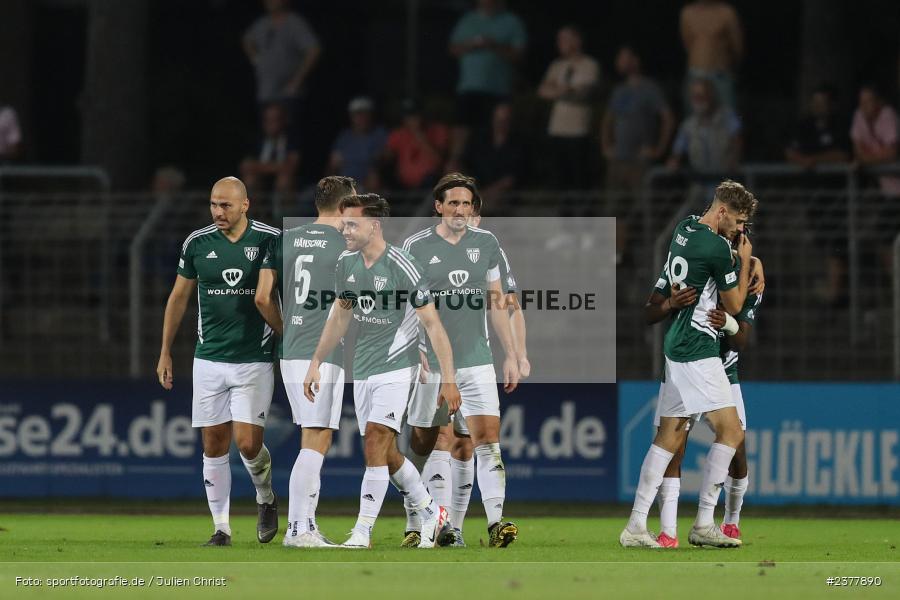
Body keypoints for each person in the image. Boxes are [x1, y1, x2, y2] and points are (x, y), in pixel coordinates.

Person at [303, 193, 461, 549]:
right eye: (343, 223)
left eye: (352, 223)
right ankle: (433, 512)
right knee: (386, 453)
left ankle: (362, 532)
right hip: (363, 366)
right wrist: (315, 361)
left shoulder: (402, 265)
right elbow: (341, 314)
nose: (345, 229)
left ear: (374, 226)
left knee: (375, 440)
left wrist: (448, 379)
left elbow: (433, 324)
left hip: (397, 366)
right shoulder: (346, 264)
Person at [620, 179, 757, 549]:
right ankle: (703, 523)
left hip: (675, 345)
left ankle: (635, 526)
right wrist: (744, 262)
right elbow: (732, 305)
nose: (740, 230)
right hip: (697, 348)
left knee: (668, 437)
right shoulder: (715, 247)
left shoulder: (685, 228)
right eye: (739, 221)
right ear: (723, 211)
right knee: (731, 432)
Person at [156, 176, 281, 547]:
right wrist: (164, 350)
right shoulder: (198, 242)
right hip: (208, 359)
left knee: (246, 444)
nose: (218, 212)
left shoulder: (269, 239)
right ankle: (222, 528)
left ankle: (266, 497)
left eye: (225, 205)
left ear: (246, 205)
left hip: (253, 359)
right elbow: (178, 297)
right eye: (213, 204)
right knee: (213, 444)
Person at [400, 172, 521, 548]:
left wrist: (513, 354)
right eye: (452, 203)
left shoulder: (486, 243)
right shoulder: (415, 246)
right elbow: (403, 307)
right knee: (426, 439)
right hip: (431, 364)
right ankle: (417, 522)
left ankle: (490, 524)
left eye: (466, 204)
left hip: (476, 360)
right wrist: (410, 351)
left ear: (473, 209)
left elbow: (498, 302)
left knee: (481, 440)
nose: (459, 210)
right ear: (438, 207)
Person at [644, 226, 765, 547]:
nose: (733, 239)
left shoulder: (750, 275)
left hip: (723, 370)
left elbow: (740, 341)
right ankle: (669, 531)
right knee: (674, 445)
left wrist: (727, 321)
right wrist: (670, 303)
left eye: (740, 236)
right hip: (685, 364)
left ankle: (730, 522)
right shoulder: (692, 261)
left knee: (737, 449)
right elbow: (649, 312)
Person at [255, 175, 356, 548]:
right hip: (322, 352)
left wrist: (286, 330)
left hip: (292, 349)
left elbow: (263, 297)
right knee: (316, 439)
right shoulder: (347, 244)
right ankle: (298, 529)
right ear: (347, 205)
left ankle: (306, 525)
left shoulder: (286, 239)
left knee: (312, 435)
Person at [602, 45, 674, 262]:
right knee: (615, 212)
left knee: (642, 211)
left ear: (635, 60)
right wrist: (606, 145)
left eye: (624, 57)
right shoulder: (619, 90)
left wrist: (659, 149)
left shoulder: (649, 88)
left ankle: (649, 258)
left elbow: (667, 118)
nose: (620, 62)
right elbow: (608, 119)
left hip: (639, 163)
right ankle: (618, 258)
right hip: (618, 161)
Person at [448, 0, 527, 168]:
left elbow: (518, 54)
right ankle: (454, 169)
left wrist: (493, 46)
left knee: (495, 132)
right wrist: (472, 45)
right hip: (469, 87)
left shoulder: (511, 21)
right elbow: (453, 49)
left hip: (498, 89)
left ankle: (494, 172)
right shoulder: (468, 20)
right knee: (463, 130)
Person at [537, 25, 599, 189]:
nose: (560, 43)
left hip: (578, 130)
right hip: (557, 130)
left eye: (564, 39)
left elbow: (583, 93)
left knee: (580, 179)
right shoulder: (557, 65)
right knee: (560, 180)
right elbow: (543, 90)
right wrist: (566, 90)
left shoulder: (589, 65)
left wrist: (558, 90)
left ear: (577, 41)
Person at [243, 0, 321, 113]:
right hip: (265, 94)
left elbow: (314, 49)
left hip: (288, 96)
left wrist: (297, 81)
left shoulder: (294, 22)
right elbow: (247, 40)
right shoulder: (262, 23)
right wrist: (256, 60)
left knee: (288, 129)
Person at [680, 0, 743, 110]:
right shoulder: (687, 13)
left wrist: (729, 65)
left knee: (727, 117)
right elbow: (688, 43)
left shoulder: (726, 12)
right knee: (694, 118)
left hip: (720, 74)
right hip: (695, 74)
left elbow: (737, 46)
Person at [461, 103, 524, 211]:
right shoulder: (479, 140)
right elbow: (466, 163)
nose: (502, 124)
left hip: (503, 194)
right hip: (476, 188)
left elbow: (512, 177)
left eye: (506, 120)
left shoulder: (519, 144)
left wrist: (485, 194)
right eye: (499, 120)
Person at [385, 99, 449, 190]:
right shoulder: (398, 134)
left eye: (415, 115)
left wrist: (419, 134)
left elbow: (439, 160)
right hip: (403, 183)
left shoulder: (438, 130)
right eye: (408, 116)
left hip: (430, 182)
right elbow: (385, 157)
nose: (412, 119)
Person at [240, 103, 300, 197]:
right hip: (261, 178)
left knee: (284, 180)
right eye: (267, 120)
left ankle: (281, 212)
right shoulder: (256, 139)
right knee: (249, 180)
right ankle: (253, 211)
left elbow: (291, 166)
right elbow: (246, 166)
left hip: (283, 179)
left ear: (284, 120)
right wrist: (276, 167)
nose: (270, 124)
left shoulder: (292, 139)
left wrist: (260, 167)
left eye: (275, 120)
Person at [328, 97, 388, 191]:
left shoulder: (379, 134)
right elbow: (333, 165)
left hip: (368, 185)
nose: (362, 118)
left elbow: (383, 159)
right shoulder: (344, 137)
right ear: (351, 116)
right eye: (358, 114)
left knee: (374, 179)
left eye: (366, 114)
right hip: (345, 185)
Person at [785, 85, 850, 168]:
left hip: (832, 178)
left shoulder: (840, 125)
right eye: (814, 102)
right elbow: (790, 151)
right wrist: (802, 160)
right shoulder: (803, 125)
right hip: (806, 178)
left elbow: (843, 155)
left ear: (832, 104)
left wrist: (814, 159)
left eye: (821, 102)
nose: (817, 106)